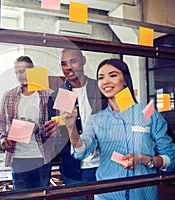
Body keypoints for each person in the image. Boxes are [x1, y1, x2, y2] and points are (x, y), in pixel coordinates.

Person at [62, 58, 175, 200]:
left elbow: (171, 158)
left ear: (125, 79)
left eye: (113, 75)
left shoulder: (148, 112)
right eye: (101, 78)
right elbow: (81, 152)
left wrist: (142, 159)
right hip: (106, 195)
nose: (106, 81)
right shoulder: (96, 119)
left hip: (144, 194)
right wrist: (71, 127)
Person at [44, 48, 104, 199]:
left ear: (83, 60)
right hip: (74, 169)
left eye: (73, 61)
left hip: (104, 164)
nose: (68, 67)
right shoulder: (60, 95)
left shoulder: (100, 88)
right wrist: (54, 133)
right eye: (64, 64)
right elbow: (59, 135)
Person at [0, 56, 55, 190]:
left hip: (41, 157)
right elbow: (1, 123)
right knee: (20, 196)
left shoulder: (48, 95)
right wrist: (3, 138)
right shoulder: (9, 96)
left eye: (22, 71)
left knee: (41, 195)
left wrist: (36, 128)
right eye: (16, 72)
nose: (19, 76)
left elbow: (56, 128)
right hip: (18, 157)